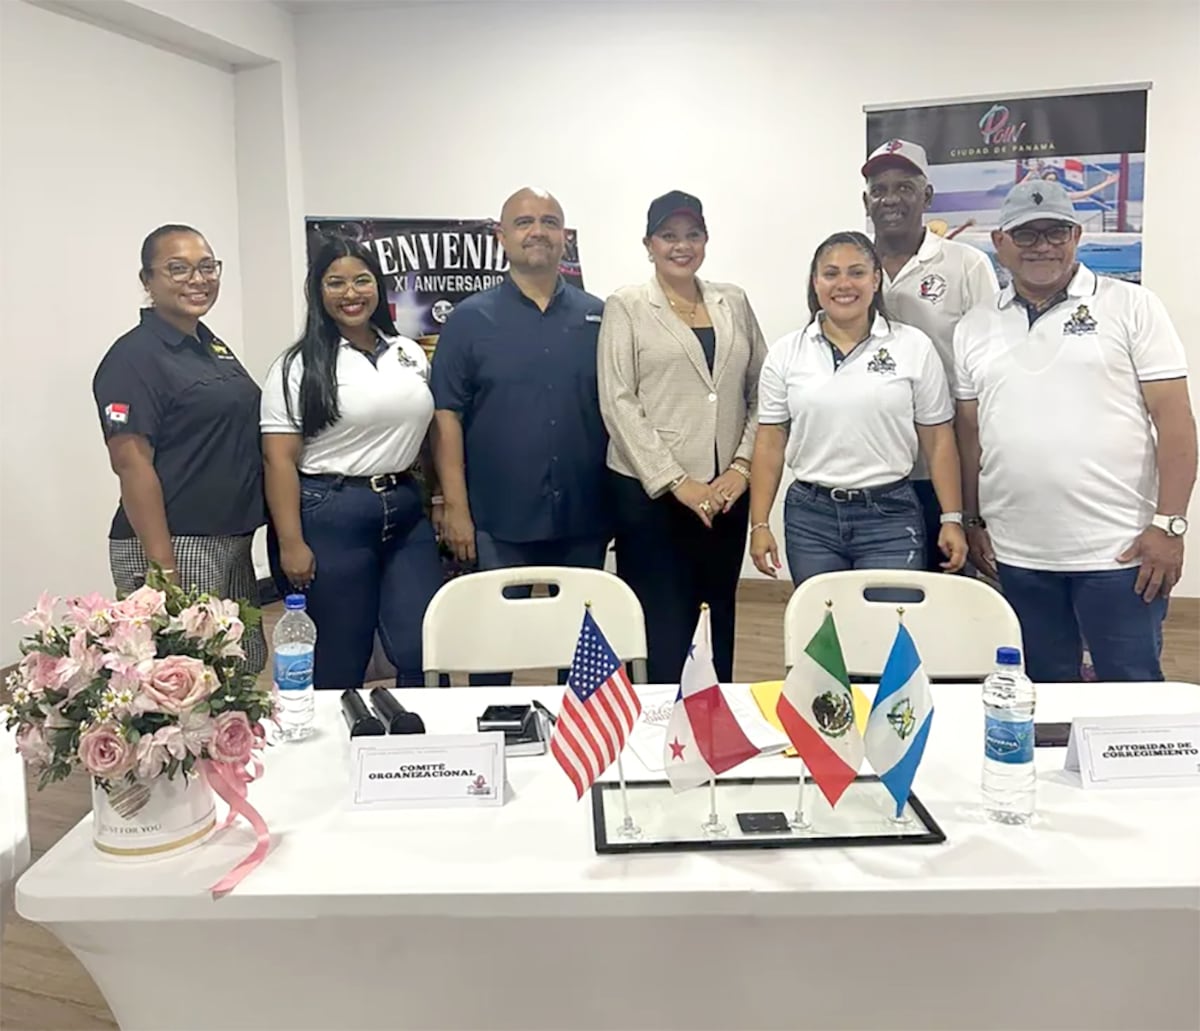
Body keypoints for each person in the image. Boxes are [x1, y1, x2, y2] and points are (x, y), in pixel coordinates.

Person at [954, 179, 1196, 683]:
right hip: (1017, 555)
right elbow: (971, 434)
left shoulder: (1132, 306)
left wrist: (1170, 526)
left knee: (1130, 695)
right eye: (1026, 234)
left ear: (1076, 235)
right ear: (1000, 242)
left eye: (1055, 232)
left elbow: (1175, 423)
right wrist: (973, 520)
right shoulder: (973, 326)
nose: (1042, 246)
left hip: (1121, 551)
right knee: (1040, 695)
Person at [430, 187, 609, 683]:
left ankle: (581, 753)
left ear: (564, 237)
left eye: (550, 222)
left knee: (581, 656)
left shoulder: (600, 316)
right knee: (495, 650)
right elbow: (447, 417)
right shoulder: (468, 320)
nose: (538, 232)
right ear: (501, 236)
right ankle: (497, 744)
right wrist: (456, 508)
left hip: (583, 514)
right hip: (497, 519)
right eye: (525, 221)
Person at [261, 235, 443, 689]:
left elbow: (429, 435)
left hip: (404, 508)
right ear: (317, 291)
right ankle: (336, 752)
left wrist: (440, 498)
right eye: (335, 282)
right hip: (331, 513)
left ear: (378, 287)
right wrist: (290, 544)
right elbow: (278, 460)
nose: (351, 293)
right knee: (342, 653)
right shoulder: (297, 366)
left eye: (362, 280)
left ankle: (414, 748)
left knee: (421, 643)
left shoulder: (408, 352)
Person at [598, 190, 766, 684]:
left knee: (719, 618)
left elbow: (765, 392)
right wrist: (676, 481)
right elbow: (618, 402)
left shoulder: (732, 300)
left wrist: (741, 467)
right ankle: (657, 740)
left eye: (692, 234)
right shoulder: (626, 305)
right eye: (668, 236)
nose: (681, 245)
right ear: (648, 244)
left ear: (706, 240)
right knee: (662, 627)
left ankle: (715, 730)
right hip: (651, 496)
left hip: (726, 494)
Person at [748, 231, 967, 587]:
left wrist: (951, 518)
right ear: (815, 282)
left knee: (890, 626)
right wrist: (759, 524)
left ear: (876, 279)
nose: (844, 284)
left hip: (890, 516)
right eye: (831, 273)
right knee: (824, 633)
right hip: (811, 518)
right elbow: (769, 442)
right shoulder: (787, 353)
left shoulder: (913, 346)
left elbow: (938, 439)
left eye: (857, 272)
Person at [93, 224, 266, 670]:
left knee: (239, 667)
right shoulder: (133, 358)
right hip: (175, 542)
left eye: (207, 267)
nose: (198, 279)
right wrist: (163, 573)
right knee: (185, 681)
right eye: (178, 269)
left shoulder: (210, 345)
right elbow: (132, 467)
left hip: (229, 540)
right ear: (147, 280)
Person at [862, 139, 999, 570]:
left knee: (949, 590)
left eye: (904, 187)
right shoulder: (851, 268)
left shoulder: (967, 265)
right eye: (879, 189)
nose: (890, 199)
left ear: (927, 196)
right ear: (866, 201)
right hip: (877, 468)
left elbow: (990, 363)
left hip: (946, 466)